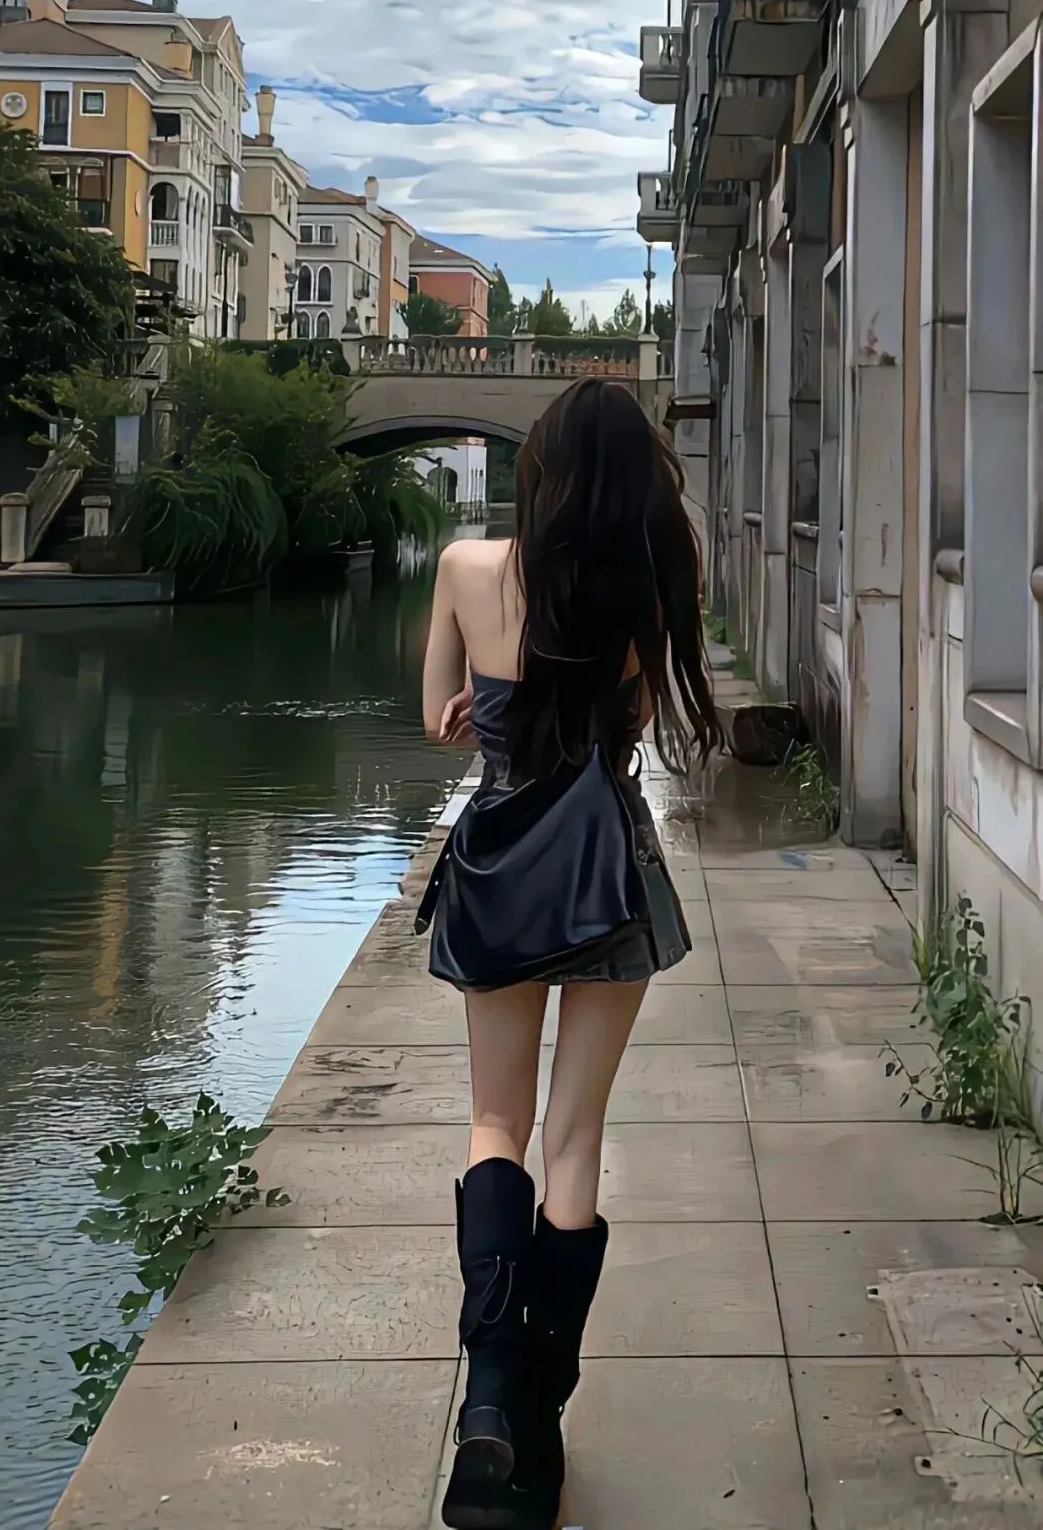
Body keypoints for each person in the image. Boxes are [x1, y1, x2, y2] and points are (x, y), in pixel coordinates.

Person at [420, 378, 721, 1530]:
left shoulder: (465, 566)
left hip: (501, 868)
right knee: (574, 1136)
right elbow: (629, 722)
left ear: (538, 470)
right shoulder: (648, 581)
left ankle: (492, 1387)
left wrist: (476, 705)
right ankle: (538, 1415)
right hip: (606, 874)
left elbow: (440, 713)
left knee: (493, 1121)